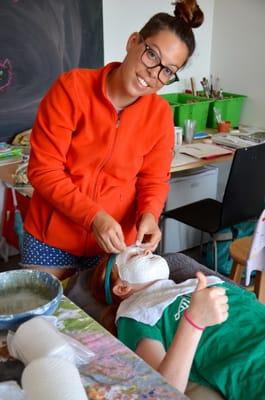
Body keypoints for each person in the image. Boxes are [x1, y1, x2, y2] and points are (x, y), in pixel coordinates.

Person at [21, 0, 204, 279]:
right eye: (151, 55)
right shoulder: (71, 89)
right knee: (42, 321)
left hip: (114, 245)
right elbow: (44, 171)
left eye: (167, 70)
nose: (152, 74)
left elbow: (153, 180)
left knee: (103, 322)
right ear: (133, 42)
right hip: (52, 238)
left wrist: (150, 215)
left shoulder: (160, 116)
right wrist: (93, 216)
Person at [90, 245, 265, 399]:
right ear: (122, 288)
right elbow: (162, 391)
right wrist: (193, 322)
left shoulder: (191, 282)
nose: (147, 250)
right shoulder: (136, 314)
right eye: (134, 255)